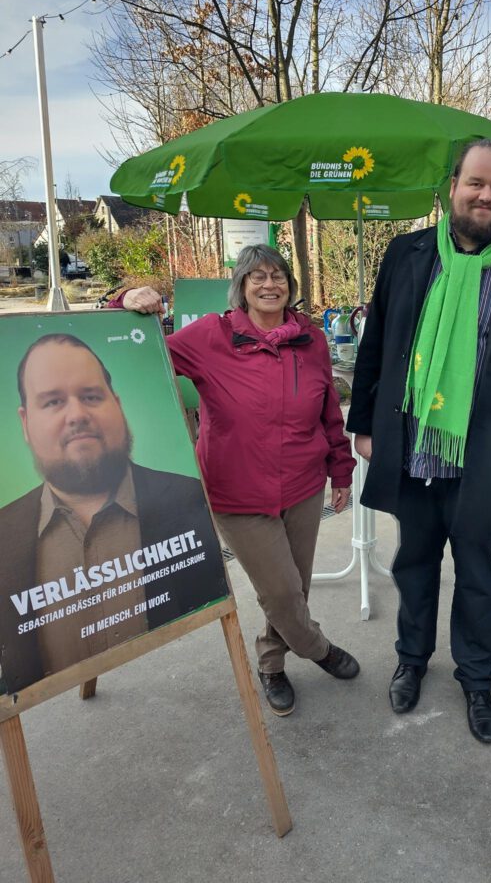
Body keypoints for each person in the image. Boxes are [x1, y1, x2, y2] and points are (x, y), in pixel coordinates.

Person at [346, 139, 491, 743]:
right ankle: (412, 659)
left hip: (484, 453)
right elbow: (375, 346)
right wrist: (365, 426)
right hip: (414, 443)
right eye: (476, 183)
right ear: (453, 187)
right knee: (414, 562)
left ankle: (477, 678)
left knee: (477, 567)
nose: (486, 195)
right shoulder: (407, 254)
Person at [116, 244, 359, 716]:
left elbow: (329, 409)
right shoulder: (212, 334)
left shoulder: (311, 339)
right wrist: (125, 300)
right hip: (238, 494)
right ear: (241, 288)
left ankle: (271, 662)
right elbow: (136, 352)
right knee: (282, 592)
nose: (270, 285)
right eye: (258, 277)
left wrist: (340, 469)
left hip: (304, 487)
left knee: (294, 587)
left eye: (279, 276)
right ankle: (319, 650)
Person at [0, 334, 228, 694]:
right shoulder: (3, 534)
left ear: (117, 404)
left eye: (91, 396)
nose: (76, 415)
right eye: (53, 402)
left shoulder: (185, 497)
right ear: (25, 423)